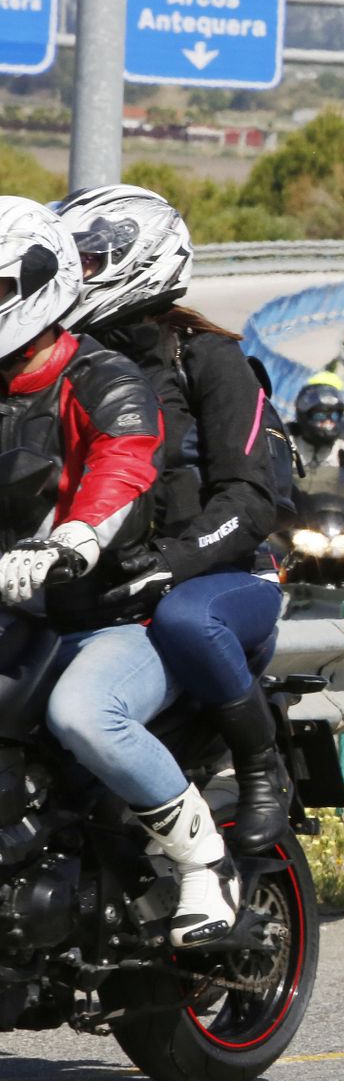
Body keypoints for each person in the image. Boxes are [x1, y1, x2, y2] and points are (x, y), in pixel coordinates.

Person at [0, 196, 240, 947]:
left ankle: (204, 862)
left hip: (111, 609)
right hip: (21, 612)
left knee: (83, 712)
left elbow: (124, 459)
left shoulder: (101, 376)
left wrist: (72, 536)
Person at [57, 183, 291, 853]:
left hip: (225, 578)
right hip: (110, 581)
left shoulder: (209, 360)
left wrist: (170, 563)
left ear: (147, 256)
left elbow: (250, 502)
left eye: (95, 259)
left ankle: (259, 763)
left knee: (190, 617)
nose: (82, 275)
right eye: (75, 260)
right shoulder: (64, 365)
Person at [289, 379, 344, 489]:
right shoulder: (286, 444)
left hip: (332, 505)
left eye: (334, 416)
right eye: (320, 416)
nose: (328, 422)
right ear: (305, 415)